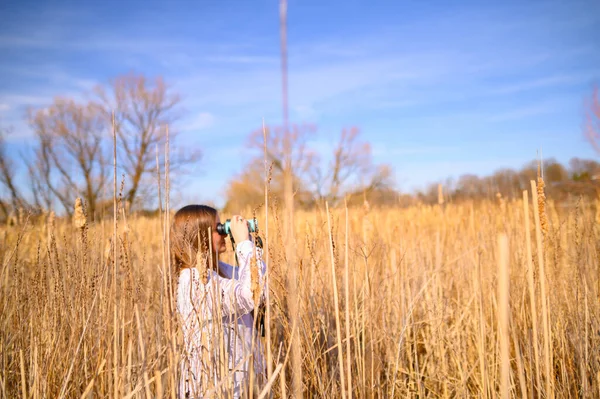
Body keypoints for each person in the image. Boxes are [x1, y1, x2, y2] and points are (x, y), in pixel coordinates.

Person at [171, 204, 267, 398]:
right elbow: (250, 294)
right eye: (218, 228)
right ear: (200, 235)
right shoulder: (193, 280)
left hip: (236, 383)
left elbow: (259, 287)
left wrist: (249, 244)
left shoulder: (220, 270)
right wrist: (242, 244)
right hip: (212, 386)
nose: (224, 232)